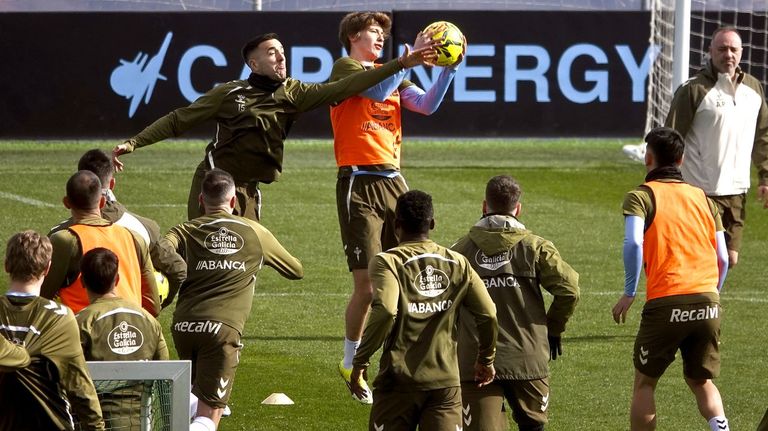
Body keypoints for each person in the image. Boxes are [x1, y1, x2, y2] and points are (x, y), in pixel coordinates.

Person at [113, 33, 438, 222]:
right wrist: (134, 142)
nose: (281, 57)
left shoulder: (293, 92)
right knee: (206, 262)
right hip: (214, 183)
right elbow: (178, 119)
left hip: (250, 190)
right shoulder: (230, 93)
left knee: (246, 268)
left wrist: (400, 64)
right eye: (272, 53)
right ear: (253, 64)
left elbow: (345, 87)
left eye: (282, 52)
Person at [329, 12, 464, 404]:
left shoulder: (393, 73)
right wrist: (406, 61)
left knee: (411, 272)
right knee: (368, 284)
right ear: (353, 36)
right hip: (358, 182)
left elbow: (425, 105)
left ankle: (403, 359)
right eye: (373, 31)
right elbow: (373, 93)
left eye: (382, 33)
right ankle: (351, 361)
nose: (379, 38)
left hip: (394, 180)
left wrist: (449, 70)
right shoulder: (346, 68)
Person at [161, 168, 304, 431]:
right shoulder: (255, 232)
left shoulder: (184, 230)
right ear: (234, 201)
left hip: (182, 327)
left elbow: (161, 250)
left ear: (201, 200)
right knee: (208, 417)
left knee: (195, 399)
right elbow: (296, 270)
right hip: (221, 331)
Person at [612, 127, 730, 431]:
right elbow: (723, 258)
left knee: (645, 383)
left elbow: (633, 243)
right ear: (681, 159)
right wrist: (712, 294)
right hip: (708, 301)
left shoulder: (641, 196)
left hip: (666, 301)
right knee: (700, 380)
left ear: (648, 158)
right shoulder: (704, 199)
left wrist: (629, 291)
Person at [350, 190, 498, 431]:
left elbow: (386, 311)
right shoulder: (458, 262)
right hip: (445, 384)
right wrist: (486, 359)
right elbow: (489, 313)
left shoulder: (387, 261)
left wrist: (360, 361)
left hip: (398, 381)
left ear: (396, 225)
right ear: (432, 224)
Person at [627, 27, 768, 267]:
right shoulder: (693, 90)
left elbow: (763, 136)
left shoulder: (753, 89)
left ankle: (704, 292)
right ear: (710, 51)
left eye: (733, 49)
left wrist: (765, 177)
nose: (728, 54)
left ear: (741, 52)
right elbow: (669, 139)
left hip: (737, 192)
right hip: (699, 192)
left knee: (729, 259)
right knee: (704, 258)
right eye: (722, 49)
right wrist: (659, 185)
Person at [452, 175, 580, 431]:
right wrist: (553, 329)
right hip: (527, 359)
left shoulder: (458, 252)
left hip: (474, 361)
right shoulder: (536, 247)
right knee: (533, 427)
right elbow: (569, 290)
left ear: (484, 206)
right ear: (518, 208)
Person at [0, 230, 104, 430]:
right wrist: (96, 427)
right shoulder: (60, 318)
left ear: (6, 265)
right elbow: (79, 385)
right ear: (47, 268)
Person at [43, 170, 160, 316]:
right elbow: (152, 305)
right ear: (102, 202)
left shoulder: (65, 240)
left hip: (85, 327)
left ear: (66, 203)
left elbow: (41, 297)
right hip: (132, 326)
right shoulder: (134, 237)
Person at [78, 148, 187, 305]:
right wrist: (150, 309)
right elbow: (178, 270)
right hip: (129, 316)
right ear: (112, 183)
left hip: (80, 316)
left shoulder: (63, 233)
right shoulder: (143, 227)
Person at [76, 247, 169, 431]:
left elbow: (69, 378)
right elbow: (166, 375)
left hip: (94, 424)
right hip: (141, 424)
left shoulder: (80, 323)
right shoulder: (149, 321)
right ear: (117, 279)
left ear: (82, 282)